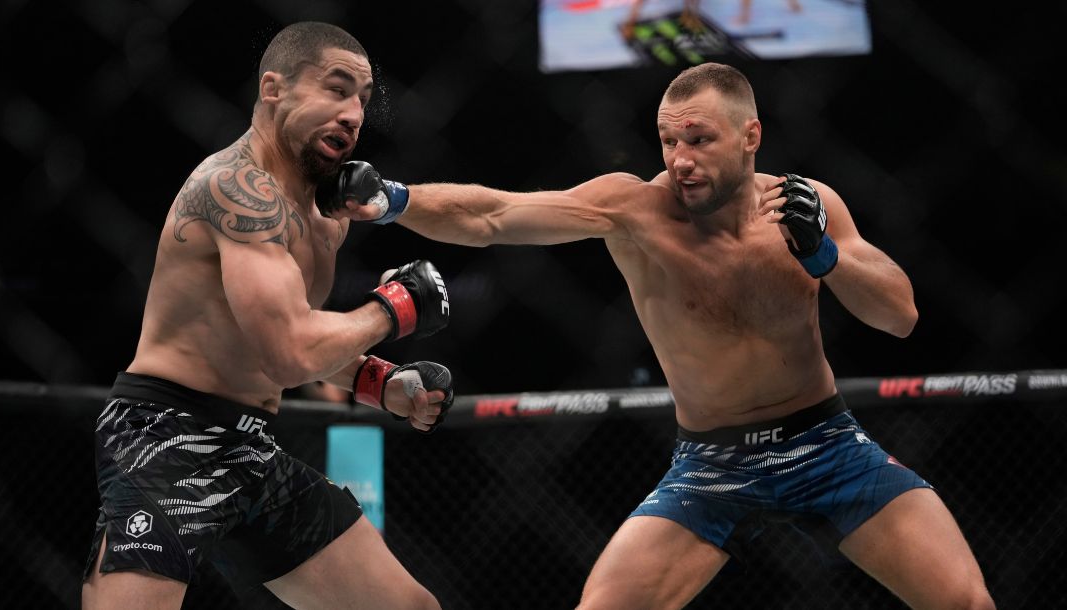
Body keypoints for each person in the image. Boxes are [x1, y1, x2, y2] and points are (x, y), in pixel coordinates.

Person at [330, 63, 996, 609]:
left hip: (827, 444)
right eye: (667, 140)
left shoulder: (804, 205)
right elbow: (497, 214)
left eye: (699, 140)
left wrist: (826, 255)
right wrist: (395, 199)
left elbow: (901, 315)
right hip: (711, 465)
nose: (678, 159)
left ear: (750, 136)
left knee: (966, 602)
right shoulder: (635, 209)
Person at [82, 22, 452, 610]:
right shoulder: (234, 190)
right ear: (273, 88)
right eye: (336, 89)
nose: (355, 113)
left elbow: (291, 334)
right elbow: (290, 353)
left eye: (362, 98)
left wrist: (377, 382)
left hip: (249, 445)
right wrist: (396, 307)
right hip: (166, 431)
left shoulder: (325, 214)